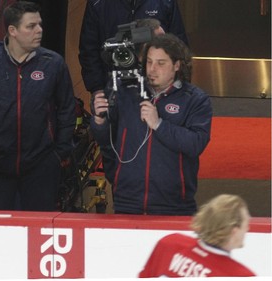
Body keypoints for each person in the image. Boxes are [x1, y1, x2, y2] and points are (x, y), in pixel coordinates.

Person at [0, 1, 76, 211]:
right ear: (12, 30)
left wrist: (58, 154)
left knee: (39, 231)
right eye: (31, 26)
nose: (39, 30)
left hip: (41, 167)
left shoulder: (53, 63)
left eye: (39, 24)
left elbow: (67, 109)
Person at [91, 33, 212, 215]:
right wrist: (99, 121)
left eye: (160, 63)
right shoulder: (126, 92)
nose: (152, 69)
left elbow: (196, 144)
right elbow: (106, 140)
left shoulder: (195, 99)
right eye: (149, 62)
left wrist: (159, 125)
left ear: (177, 65)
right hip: (127, 202)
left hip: (174, 205)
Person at [79, 0, 187, 182]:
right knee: (114, 149)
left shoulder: (165, 3)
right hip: (114, 87)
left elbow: (179, 45)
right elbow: (88, 49)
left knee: (160, 145)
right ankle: (121, 194)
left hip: (157, 88)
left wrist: (175, 86)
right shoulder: (98, 4)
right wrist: (97, 90)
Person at [139, 194, 255, 277]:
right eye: (246, 224)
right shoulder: (239, 275)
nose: (247, 229)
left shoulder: (170, 243)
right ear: (233, 231)